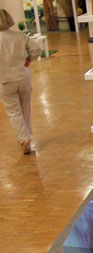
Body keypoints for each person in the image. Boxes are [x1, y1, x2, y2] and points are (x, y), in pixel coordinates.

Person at [0, 9, 41, 154]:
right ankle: (27, 135)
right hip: (23, 76)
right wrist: (29, 59)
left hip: (5, 80)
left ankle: (24, 138)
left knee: (14, 112)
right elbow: (36, 49)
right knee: (25, 108)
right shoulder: (19, 35)